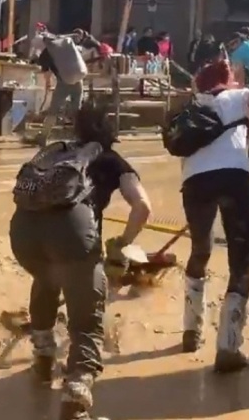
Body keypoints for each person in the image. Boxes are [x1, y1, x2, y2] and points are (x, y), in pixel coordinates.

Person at [10, 101, 152, 420]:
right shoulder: (112, 161)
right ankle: (75, 399)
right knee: (86, 322)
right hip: (73, 235)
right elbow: (142, 207)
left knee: (47, 278)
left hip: (22, 235)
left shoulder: (56, 152)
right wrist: (121, 245)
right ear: (111, 132)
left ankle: (44, 358)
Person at [179, 60, 249, 373]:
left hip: (194, 182)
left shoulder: (191, 108)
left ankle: (190, 330)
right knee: (240, 261)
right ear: (230, 82)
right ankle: (228, 345)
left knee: (200, 250)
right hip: (234, 180)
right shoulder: (235, 98)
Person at [25, 41, 85, 147]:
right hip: (78, 80)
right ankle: (81, 138)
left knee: (53, 111)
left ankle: (43, 137)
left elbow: (47, 74)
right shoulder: (65, 47)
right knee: (77, 111)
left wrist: (48, 85)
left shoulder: (45, 54)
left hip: (63, 83)